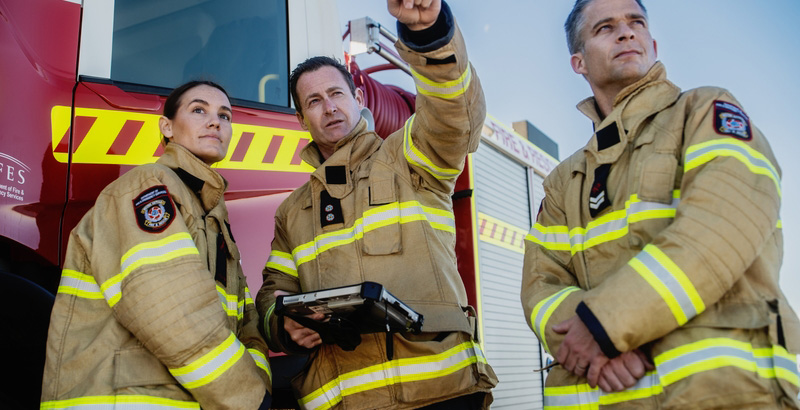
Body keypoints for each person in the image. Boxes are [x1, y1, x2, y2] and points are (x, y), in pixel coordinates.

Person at [520, 0, 800, 408]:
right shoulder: (566, 180)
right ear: (578, 62)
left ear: (653, 43)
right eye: (605, 28)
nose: (626, 32)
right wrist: (591, 336)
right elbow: (541, 287)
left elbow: (722, 225)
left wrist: (606, 325)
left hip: (719, 395)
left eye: (636, 22)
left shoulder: (704, 112)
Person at [255, 0, 497, 408]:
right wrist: (282, 323)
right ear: (301, 119)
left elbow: (453, 117)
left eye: (336, 93)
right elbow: (273, 291)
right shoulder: (292, 212)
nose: (329, 107)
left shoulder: (409, 157)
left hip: (441, 394)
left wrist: (430, 35)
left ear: (358, 96)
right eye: (314, 101)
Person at [41, 81, 272, 409]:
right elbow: (169, 307)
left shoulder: (213, 218)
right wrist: (247, 397)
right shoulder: (147, 186)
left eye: (225, 115)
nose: (215, 122)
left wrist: (260, 382)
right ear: (167, 127)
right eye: (199, 110)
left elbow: (244, 321)